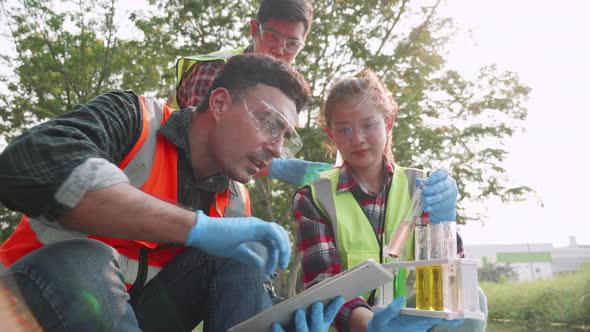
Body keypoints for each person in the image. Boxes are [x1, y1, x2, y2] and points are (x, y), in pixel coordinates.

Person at [0, 54, 336, 332]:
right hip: (21, 303)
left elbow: (239, 300)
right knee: (87, 260)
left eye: (285, 136)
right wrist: (197, 227)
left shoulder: (235, 201)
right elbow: (27, 163)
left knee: (245, 252)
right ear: (219, 103)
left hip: (132, 319)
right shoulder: (134, 119)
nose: (277, 150)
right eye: (269, 124)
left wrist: (292, 322)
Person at [293, 70, 487, 331]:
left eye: (369, 125)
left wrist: (445, 223)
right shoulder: (315, 197)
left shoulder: (423, 188)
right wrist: (373, 326)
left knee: (477, 299)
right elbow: (324, 284)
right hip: (359, 328)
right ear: (331, 135)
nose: (358, 138)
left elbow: (452, 280)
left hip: (419, 324)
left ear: (388, 123)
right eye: (344, 130)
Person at [168, 0, 329, 187]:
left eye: (292, 44)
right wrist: (279, 167)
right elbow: (212, 143)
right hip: (170, 170)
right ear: (254, 29)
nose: (279, 50)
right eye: (271, 36)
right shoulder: (215, 69)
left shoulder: (281, 94)